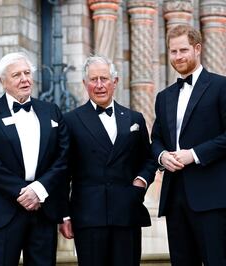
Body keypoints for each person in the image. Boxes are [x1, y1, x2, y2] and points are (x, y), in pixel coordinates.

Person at [151, 24, 226, 265]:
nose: (178, 56)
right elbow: (156, 138)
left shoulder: (222, 86)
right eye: (173, 51)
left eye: (183, 50)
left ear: (197, 49)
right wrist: (162, 156)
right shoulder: (164, 96)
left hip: (211, 195)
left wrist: (193, 154)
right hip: (174, 197)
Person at [0, 52, 69, 266]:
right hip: (1, 211)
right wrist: (22, 191)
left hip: (43, 210)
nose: (24, 79)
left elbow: (63, 158)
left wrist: (39, 190)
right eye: (17, 75)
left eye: (27, 73)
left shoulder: (51, 110)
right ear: (2, 81)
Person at [59, 55, 157, 266]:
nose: (99, 85)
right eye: (93, 80)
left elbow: (149, 159)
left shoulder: (134, 119)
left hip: (127, 212)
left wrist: (141, 181)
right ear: (85, 84)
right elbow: (62, 171)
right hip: (88, 217)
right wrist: (64, 215)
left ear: (115, 82)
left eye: (104, 78)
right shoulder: (70, 120)